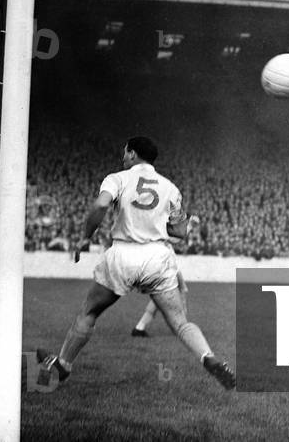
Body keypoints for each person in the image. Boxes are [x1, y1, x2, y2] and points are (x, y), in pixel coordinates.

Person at [37, 136, 235, 389]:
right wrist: (191, 223)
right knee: (180, 321)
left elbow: (100, 205)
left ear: (132, 154)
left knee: (89, 312)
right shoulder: (170, 187)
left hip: (124, 254)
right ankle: (209, 358)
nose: (123, 156)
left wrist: (85, 237)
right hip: (158, 257)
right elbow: (178, 231)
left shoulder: (118, 178)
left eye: (125, 152)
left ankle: (63, 365)